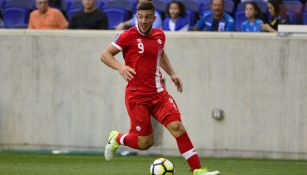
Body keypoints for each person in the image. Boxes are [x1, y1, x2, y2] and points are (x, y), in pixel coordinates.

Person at [100, 1, 220, 175]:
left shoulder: (159, 35)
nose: (143, 21)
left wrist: (172, 73)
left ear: (154, 18)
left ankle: (198, 170)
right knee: (145, 143)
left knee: (178, 127)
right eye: (140, 17)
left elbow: (160, 54)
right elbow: (105, 55)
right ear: (136, 17)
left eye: (147, 17)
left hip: (158, 94)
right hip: (137, 97)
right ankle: (117, 137)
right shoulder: (127, 35)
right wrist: (121, 67)